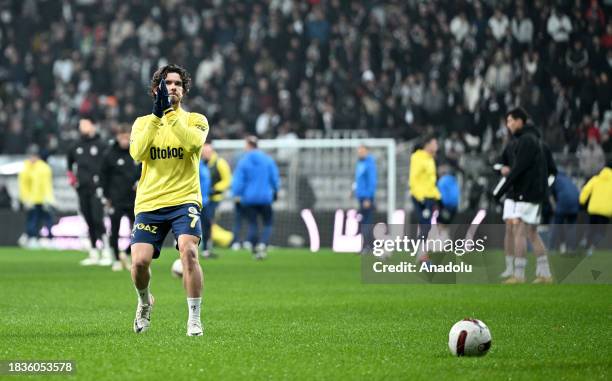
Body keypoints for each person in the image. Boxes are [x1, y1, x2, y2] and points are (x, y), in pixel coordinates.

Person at [129, 64, 209, 336]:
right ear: (156, 90)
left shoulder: (196, 120)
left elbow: (192, 145)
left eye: (177, 83)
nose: (172, 87)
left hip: (184, 200)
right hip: (150, 203)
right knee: (139, 263)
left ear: (184, 91)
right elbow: (138, 154)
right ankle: (144, 302)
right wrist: (156, 116)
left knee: (188, 251)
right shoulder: (142, 123)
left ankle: (194, 318)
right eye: (167, 83)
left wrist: (170, 115)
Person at [493, 107, 553, 284]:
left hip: (528, 194)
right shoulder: (529, 140)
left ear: (520, 121)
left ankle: (519, 275)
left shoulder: (527, 141)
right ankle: (544, 273)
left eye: (511, 121)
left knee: (520, 231)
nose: (509, 125)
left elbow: (519, 170)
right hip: (528, 193)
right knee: (530, 233)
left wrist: (499, 192)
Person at [67, 117, 111, 266]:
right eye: (81, 125)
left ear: (93, 125)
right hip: (82, 188)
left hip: (98, 188)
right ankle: (93, 251)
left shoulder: (102, 145)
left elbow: (108, 165)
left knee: (98, 218)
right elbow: (69, 165)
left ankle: (106, 250)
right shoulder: (75, 146)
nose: (82, 127)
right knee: (89, 220)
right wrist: (73, 180)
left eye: (85, 124)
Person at [99, 124, 141, 271]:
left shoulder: (137, 152)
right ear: (117, 137)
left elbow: (144, 171)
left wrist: (140, 183)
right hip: (115, 199)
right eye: (122, 137)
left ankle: (128, 252)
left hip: (134, 199)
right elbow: (103, 176)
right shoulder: (110, 154)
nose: (125, 139)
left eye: (127, 136)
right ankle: (116, 258)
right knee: (114, 229)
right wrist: (106, 197)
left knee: (138, 230)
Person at [231, 136, 280, 260]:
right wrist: (275, 190)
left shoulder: (243, 161)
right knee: (268, 223)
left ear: (248, 146)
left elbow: (238, 181)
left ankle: (254, 249)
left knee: (253, 224)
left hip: (249, 198)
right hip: (265, 198)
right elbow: (274, 178)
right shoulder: (268, 160)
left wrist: (236, 194)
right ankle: (263, 244)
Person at [409, 134, 441, 265]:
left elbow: (430, 181)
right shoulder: (418, 157)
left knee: (426, 226)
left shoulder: (430, 159)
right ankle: (422, 257)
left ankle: (421, 255)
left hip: (430, 197)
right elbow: (413, 179)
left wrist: (436, 196)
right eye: (435, 143)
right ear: (427, 144)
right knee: (425, 225)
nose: (437, 146)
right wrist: (420, 198)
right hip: (421, 198)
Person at [18, 145, 55, 249]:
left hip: (43, 199)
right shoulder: (25, 167)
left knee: (48, 220)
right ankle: (32, 238)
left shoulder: (44, 167)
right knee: (32, 220)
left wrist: (49, 198)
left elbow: (47, 184)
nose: (32, 158)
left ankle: (50, 239)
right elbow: (23, 185)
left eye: (34, 155)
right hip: (32, 200)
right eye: (31, 155)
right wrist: (25, 199)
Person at [200, 142, 232, 258]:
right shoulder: (200, 163)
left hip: (213, 199)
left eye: (207, 151)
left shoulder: (219, 163)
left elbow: (227, 180)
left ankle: (207, 247)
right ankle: (205, 247)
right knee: (205, 223)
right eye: (204, 151)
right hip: (202, 198)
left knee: (208, 223)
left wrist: (215, 189)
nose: (205, 153)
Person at [579, 160, 612, 256]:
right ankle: (591, 248)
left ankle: (586, 239)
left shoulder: (596, 179)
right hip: (606, 211)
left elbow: (585, 190)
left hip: (593, 209)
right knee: (601, 232)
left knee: (592, 228)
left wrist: (582, 201)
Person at [353, 144, 377, 252]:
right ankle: (367, 246)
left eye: (362, 151)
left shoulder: (369, 163)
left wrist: (368, 197)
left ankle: (368, 246)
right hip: (361, 196)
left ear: (367, 151)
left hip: (367, 197)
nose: (360, 153)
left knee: (367, 221)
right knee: (364, 222)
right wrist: (354, 190)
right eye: (359, 151)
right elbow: (359, 180)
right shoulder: (360, 163)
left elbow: (372, 182)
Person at [548, 170, 580, 253]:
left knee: (556, 225)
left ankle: (552, 248)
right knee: (572, 226)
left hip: (563, 202)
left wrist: (554, 207)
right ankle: (571, 248)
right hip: (575, 202)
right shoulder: (568, 179)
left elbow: (550, 195)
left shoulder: (554, 179)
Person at [436, 163, 460, 241]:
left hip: (446, 206)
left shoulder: (442, 181)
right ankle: (445, 240)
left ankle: (443, 241)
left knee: (441, 224)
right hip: (454, 206)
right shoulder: (453, 179)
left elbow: (441, 194)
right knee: (446, 224)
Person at [198, 152, 213, 258]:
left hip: (206, 200)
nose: (210, 155)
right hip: (197, 201)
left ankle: (206, 249)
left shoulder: (205, 166)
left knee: (207, 225)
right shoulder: (197, 165)